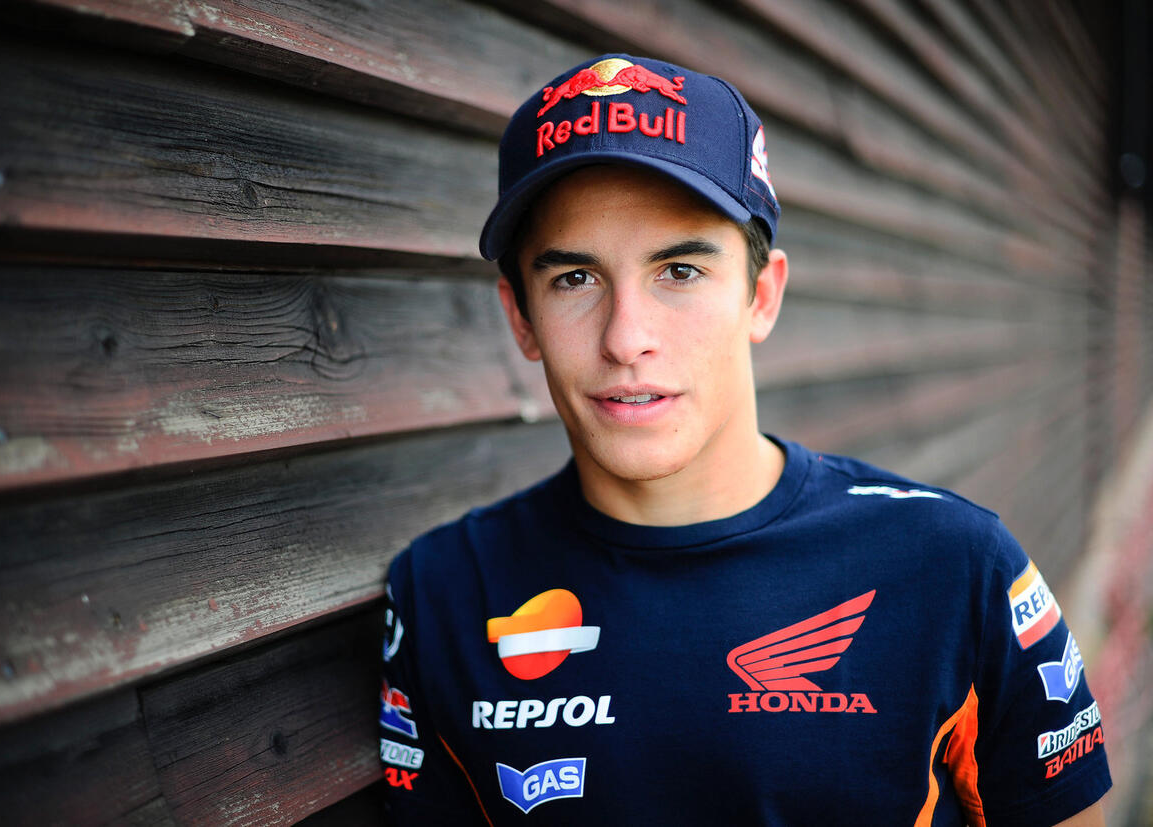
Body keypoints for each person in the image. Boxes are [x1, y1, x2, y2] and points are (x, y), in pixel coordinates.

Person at [377, 54, 1111, 825]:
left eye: (679, 271)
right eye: (575, 279)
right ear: (521, 318)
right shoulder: (443, 592)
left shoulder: (955, 565)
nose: (626, 338)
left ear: (761, 294)